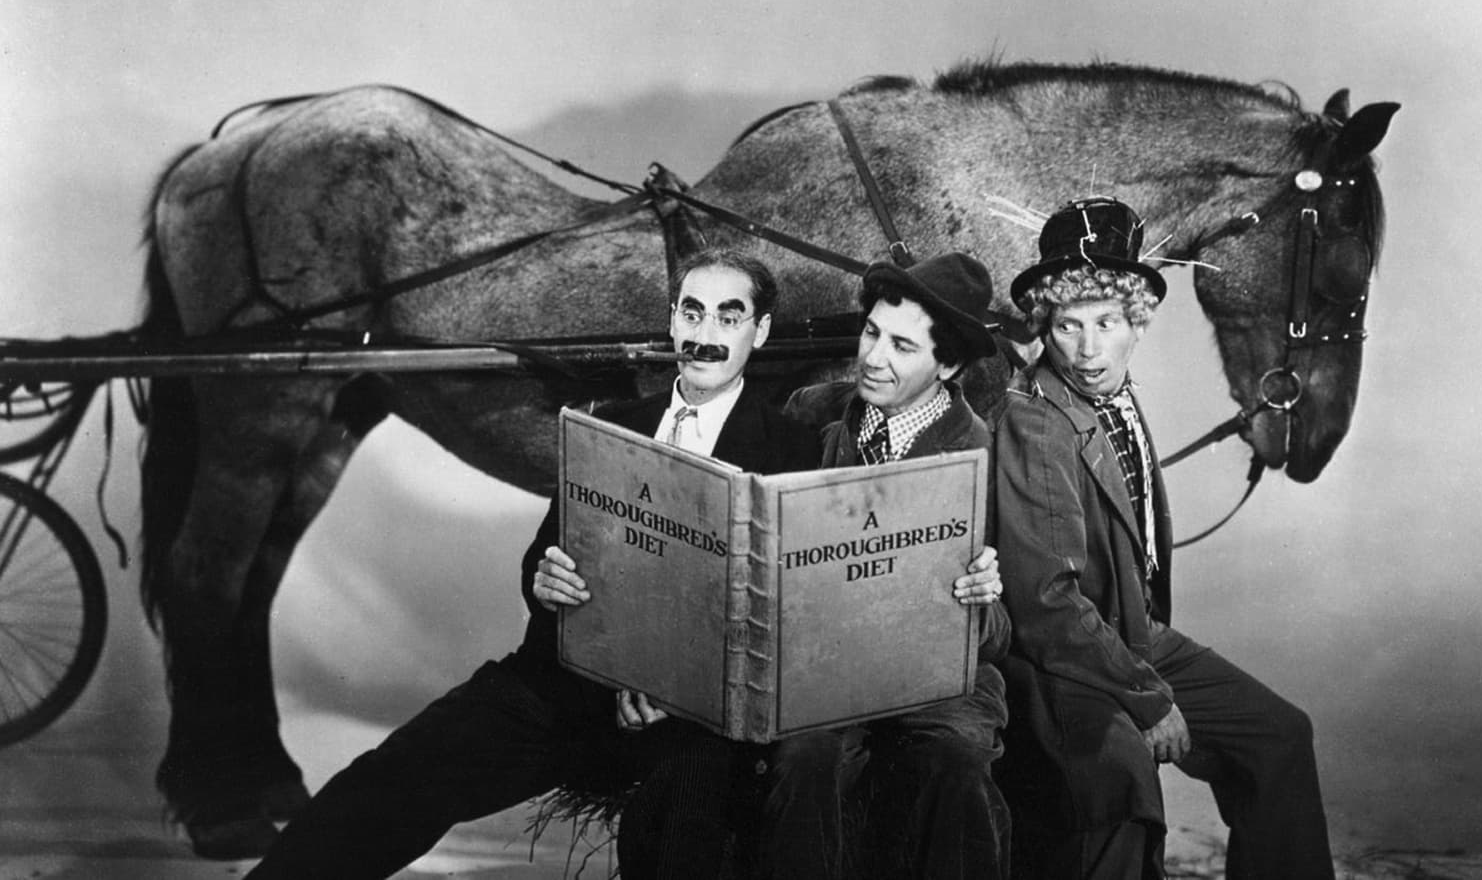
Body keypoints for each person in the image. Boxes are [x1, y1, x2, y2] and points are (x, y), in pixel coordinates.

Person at [247, 247, 819, 879]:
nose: (705, 334)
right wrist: (546, 581)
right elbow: (542, 558)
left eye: (728, 317)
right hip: (566, 690)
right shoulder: (610, 426)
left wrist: (684, 694)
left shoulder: (793, 452)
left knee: (684, 820)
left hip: (691, 720)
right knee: (395, 776)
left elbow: (779, 621)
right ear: (671, 319)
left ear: (760, 332)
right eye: (692, 312)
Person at [989, 197, 1335, 880]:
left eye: (1106, 323)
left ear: (1136, 323)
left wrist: (1146, 671)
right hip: (1064, 658)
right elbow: (1045, 602)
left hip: (1132, 636)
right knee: (1124, 783)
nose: (1088, 349)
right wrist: (1148, 700)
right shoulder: (1035, 420)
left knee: (1280, 736)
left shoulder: (1113, 392)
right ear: (1046, 327)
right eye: (1068, 326)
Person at [765, 252, 1012, 880]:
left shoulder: (977, 448)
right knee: (804, 759)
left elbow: (998, 635)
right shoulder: (814, 409)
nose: (873, 358)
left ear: (947, 365)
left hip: (936, 683)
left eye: (902, 346)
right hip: (825, 666)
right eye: (872, 332)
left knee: (956, 763)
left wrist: (982, 597)